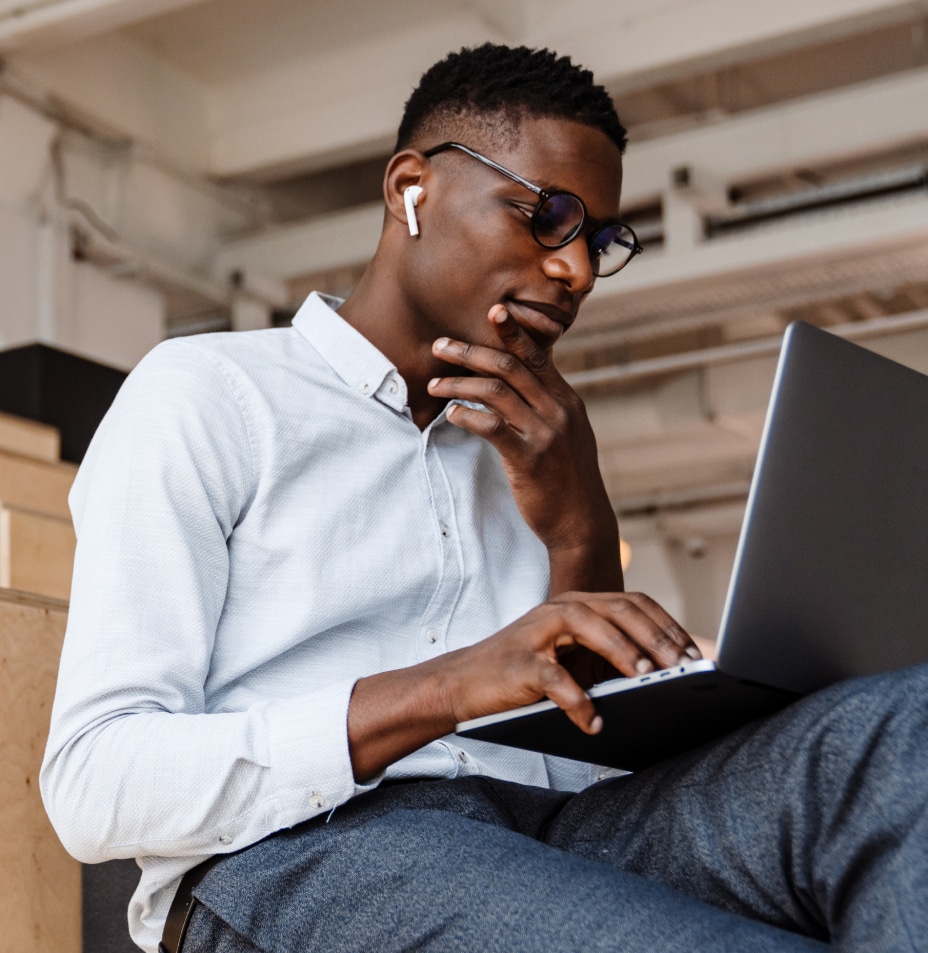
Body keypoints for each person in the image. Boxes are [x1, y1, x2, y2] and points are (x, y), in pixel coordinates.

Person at [41, 43, 927, 953]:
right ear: (409, 189)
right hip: (298, 852)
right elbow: (92, 784)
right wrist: (446, 686)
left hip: (547, 829)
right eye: (547, 215)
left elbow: (576, 736)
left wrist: (582, 525)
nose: (577, 269)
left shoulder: (540, 448)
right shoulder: (210, 393)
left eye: (598, 239)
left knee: (904, 731)